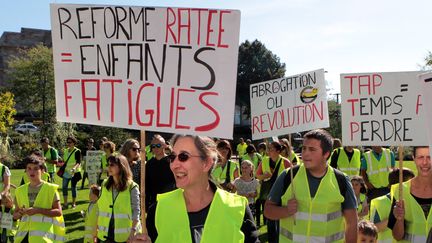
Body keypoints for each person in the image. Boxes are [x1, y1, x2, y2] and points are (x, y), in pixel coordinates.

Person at [143, 134, 260, 242]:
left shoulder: (237, 208)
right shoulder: (158, 210)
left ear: (207, 163)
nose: (174, 165)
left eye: (183, 156)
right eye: (173, 157)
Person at [264, 129, 358, 243]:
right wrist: (286, 211)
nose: (305, 153)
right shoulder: (288, 175)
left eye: (312, 149)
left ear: (326, 154)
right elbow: (268, 210)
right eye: (304, 148)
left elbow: (352, 222)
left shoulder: (341, 180)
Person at [13, 155, 65, 242]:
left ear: (43, 171)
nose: (31, 171)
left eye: (35, 168)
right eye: (29, 168)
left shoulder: (50, 189)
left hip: (42, 237)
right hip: (23, 237)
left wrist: (38, 210)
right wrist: (20, 213)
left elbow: (58, 212)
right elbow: (15, 215)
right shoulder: (19, 190)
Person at [390, 146, 432, 242]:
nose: (425, 162)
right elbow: (397, 236)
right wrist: (399, 220)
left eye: (429, 157)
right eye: (420, 157)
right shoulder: (399, 190)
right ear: (414, 159)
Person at [97, 155, 140, 242]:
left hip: (126, 235)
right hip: (105, 233)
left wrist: (132, 232)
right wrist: (95, 230)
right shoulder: (104, 184)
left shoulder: (132, 186)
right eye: (108, 164)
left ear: (121, 167)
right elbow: (98, 208)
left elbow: (136, 211)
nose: (109, 167)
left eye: (112, 165)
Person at [256, 141, 292, 243]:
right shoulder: (264, 161)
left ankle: (281, 238)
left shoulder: (285, 162)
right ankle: (272, 239)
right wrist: (264, 176)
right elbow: (257, 175)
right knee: (270, 219)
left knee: (281, 218)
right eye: (269, 149)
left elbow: (292, 178)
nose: (269, 151)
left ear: (278, 151)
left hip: (282, 194)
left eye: (271, 149)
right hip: (269, 194)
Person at [369, 168, 414, 242]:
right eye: (410, 183)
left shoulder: (414, 202)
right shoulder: (380, 202)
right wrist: (393, 218)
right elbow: (372, 230)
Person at [145, 135, 176, 210]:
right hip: (153, 202)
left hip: (170, 201)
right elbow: (147, 185)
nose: (155, 148)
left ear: (164, 146)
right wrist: (146, 203)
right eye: (153, 146)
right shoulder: (149, 164)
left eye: (158, 145)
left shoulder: (172, 162)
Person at [61, 136, 82, 209]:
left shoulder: (77, 151)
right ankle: (65, 203)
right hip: (66, 172)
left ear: (74, 143)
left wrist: (74, 168)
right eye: (68, 142)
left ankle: (73, 203)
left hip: (74, 172)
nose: (68, 144)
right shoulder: (66, 151)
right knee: (64, 187)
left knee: (73, 188)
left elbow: (78, 162)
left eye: (70, 142)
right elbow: (65, 161)